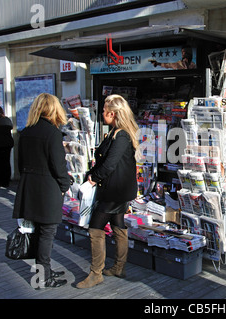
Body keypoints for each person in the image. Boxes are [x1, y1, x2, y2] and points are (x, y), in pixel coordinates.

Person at [76, 94, 139, 289]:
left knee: (95, 227)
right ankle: (119, 267)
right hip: (116, 189)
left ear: (112, 113)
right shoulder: (115, 132)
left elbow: (110, 164)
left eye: (104, 111)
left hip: (115, 191)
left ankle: (96, 273)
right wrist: (91, 173)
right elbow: (105, 161)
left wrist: (94, 178)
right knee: (118, 224)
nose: (102, 114)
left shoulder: (121, 135)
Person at [13, 93, 71, 288]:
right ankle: (43, 278)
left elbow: (20, 163)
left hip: (29, 187)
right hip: (48, 189)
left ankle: (43, 272)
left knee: (38, 232)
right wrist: (65, 186)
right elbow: (59, 166)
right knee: (47, 233)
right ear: (54, 109)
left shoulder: (26, 131)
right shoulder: (53, 133)